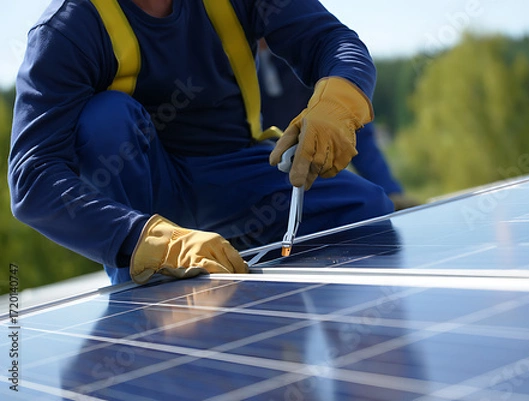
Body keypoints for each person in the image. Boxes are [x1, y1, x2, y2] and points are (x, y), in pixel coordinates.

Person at [8, 0, 393, 286]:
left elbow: (332, 40)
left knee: (366, 212)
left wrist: (336, 105)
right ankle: (149, 277)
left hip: (237, 174)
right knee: (105, 120)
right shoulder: (67, 30)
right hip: (147, 199)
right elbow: (33, 176)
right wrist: (145, 238)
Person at [258, 39, 420, 211]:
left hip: (316, 182)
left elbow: (355, 134)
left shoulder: (304, 50)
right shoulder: (230, 61)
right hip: (262, 187)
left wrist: (390, 192)